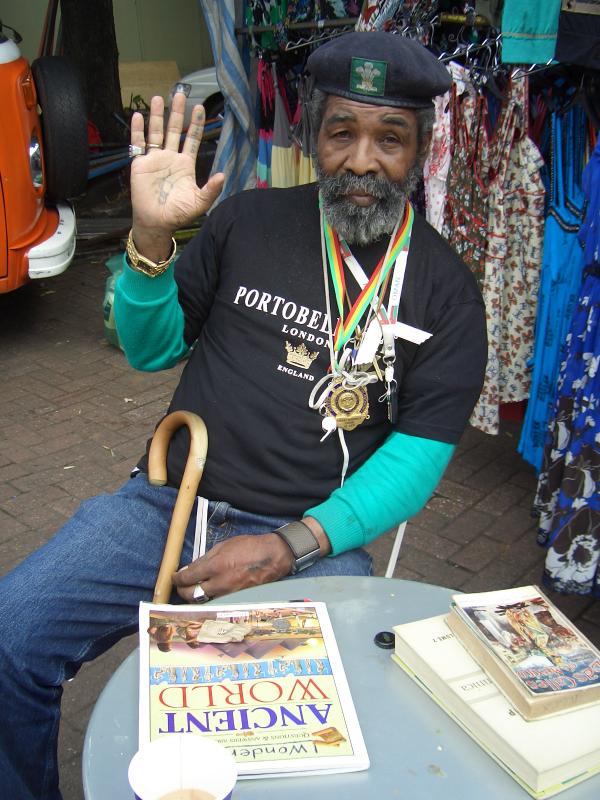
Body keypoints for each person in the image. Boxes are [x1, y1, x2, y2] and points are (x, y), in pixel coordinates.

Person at [0, 32, 486, 798]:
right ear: (314, 138)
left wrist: (289, 546)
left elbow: (417, 459)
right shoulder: (246, 224)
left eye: (389, 138)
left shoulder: (448, 292)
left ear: (421, 149)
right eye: (342, 133)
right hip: (165, 503)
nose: (363, 160)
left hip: (316, 538)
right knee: (9, 635)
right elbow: (150, 348)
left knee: (293, 737)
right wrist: (152, 239)